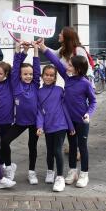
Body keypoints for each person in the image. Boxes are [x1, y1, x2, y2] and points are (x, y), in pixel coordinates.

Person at [40, 38, 97, 188]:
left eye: (70, 65)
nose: (67, 66)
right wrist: (43, 48)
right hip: (68, 121)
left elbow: (93, 102)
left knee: (82, 147)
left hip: (82, 121)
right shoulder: (67, 78)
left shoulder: (85, 83)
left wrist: (88, 114)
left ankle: (84, 174)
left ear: (78, 68)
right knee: (72, 146)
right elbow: (57, 63)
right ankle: (73, 171)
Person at [0, 41, 41, 185]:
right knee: (4, 141)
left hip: (34, 122)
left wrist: (36, 51)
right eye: (25, 74)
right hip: (20, 122)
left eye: (30, 74)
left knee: (32, 147)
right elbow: (16, 67)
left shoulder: (35, 84)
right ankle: (10, 167)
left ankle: (32, 172)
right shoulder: (15, 84)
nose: (28, 76)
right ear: (20, 75)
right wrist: (19, 49)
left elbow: (36, 69)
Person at [36, 63, 74, 191]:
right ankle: (50, 171)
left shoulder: (59, 90)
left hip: (60, 125)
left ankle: (60, 177)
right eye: (46, 75)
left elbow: (65, 108)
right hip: (48, 126)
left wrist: (70, 126)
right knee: (50, 151)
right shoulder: (39, 92)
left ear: (55, 77)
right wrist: (40, 126)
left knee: (58, 150)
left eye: (52, 75)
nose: (49, 77)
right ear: (42, 76)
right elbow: (40, 111)